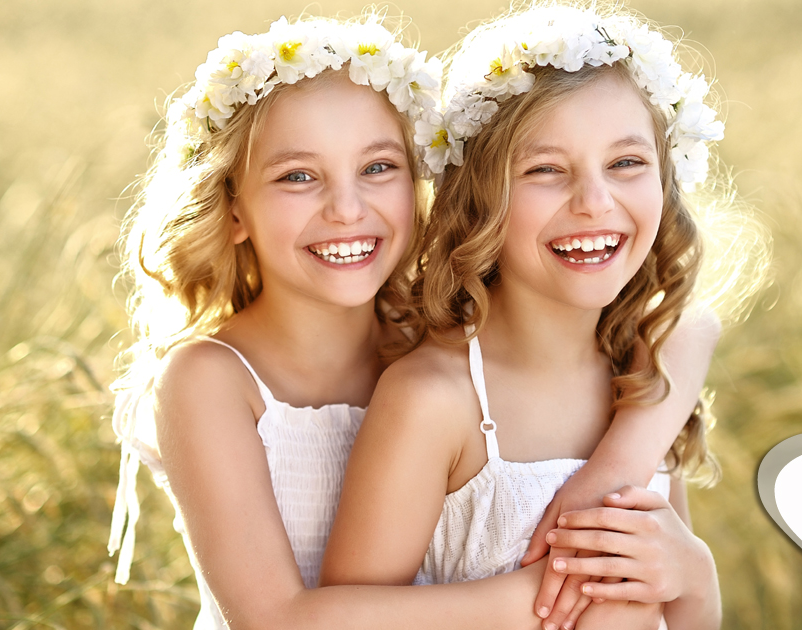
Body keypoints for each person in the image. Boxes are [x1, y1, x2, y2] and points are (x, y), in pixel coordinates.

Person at [107, 11, 736, 630]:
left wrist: (638, 497)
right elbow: (275, 620)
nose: (348, 209)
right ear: (231, 207)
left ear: (421, 185)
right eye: (298, 176)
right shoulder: (213, 379)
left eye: (379, 168)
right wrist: (571, 586)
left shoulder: (428, 330)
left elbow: (682, 329)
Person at [320, 5, 765, 630]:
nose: (594, 202)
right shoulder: (434, 401)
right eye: (546, 170)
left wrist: (694, 575)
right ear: (480, 199)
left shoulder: (640, 384)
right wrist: (546, 597)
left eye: (626, 163)